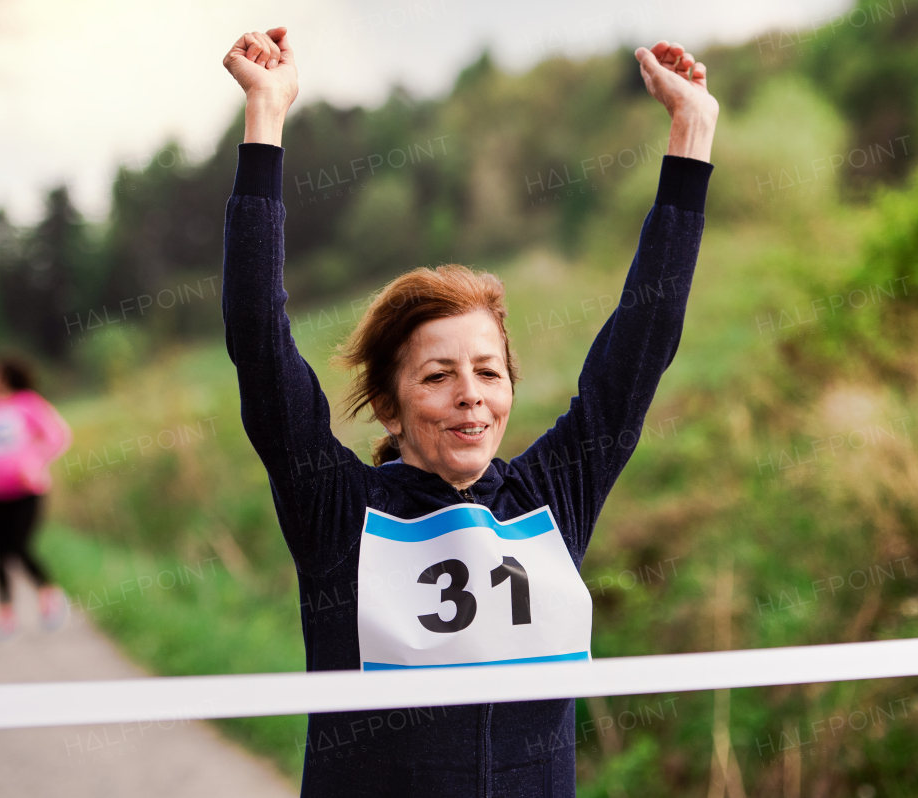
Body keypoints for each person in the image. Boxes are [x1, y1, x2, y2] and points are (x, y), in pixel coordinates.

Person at [221, 27, 717, 796]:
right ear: (388, 405)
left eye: (489, 371)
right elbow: (257, 337)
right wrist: (267, 115)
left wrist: (693, 132)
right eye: (439, 377)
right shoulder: (337, 513)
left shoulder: (552, 499)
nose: (470, 395)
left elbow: (642, 345)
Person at [0, 355, 73, 637]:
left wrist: (35, 462)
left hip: (27, 490)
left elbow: (59, 435)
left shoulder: (29, 403)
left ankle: (48, 592)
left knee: (19, 546)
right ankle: (5, 613)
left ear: (5, 375)